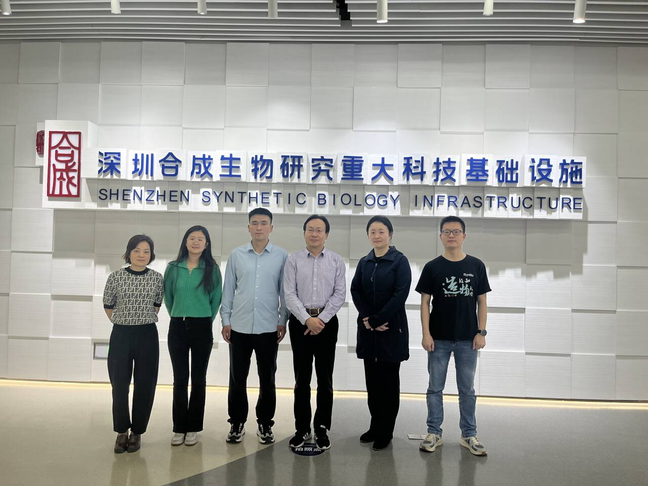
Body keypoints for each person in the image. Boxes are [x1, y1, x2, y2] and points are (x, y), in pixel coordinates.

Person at [416, 216, 491, 456]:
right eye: (447, 231)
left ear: (464, 236)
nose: (451, 235)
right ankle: (433, 433)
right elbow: (425, 303)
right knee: (434, 388)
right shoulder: (432, 267)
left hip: (468, 340)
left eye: (456, 231)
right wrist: (426, 334)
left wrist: (481, 332)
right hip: (438, 339)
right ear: (440, 236)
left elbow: (482, 301)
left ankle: (469, 434)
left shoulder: (476, 265)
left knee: (467, 389)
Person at [221, 208, 289, 445]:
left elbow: (284, 292)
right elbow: (228, 290)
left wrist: (282, 320)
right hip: (239, 327)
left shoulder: (281, 256)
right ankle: (236, 422)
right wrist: (226, 320)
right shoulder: (236, 255)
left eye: (263, 223)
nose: (259, 227)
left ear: (271, 227)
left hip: (268, 327)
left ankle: (265, 423)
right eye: (254, 223)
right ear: (248, 227)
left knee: (267, 379)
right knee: (237, 378)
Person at [284, 215, 346, 451]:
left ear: (326, 235)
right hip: (300, 323)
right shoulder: (293, 260)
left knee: (325, 378)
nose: (314, 233)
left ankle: (321, 427)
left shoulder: (336, 261)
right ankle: (301, 428)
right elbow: (289, 294)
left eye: (319, 230)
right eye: (310, 229)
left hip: (327, 323)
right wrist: (307, 320)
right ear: (304, 233)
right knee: (301, 379)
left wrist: (320, 320)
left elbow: (339, 294)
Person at [350, 215, 411, 451]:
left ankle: (386, 431)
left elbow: (400, 295)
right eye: (373, 232)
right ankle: (375, 426)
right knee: (372, 384)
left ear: (390, 235)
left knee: (389, 384)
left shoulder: (399, 261)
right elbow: (356, 290)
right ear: (368, 235)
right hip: (369, 332)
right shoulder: (364, 262)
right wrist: (368, 319)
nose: (377, 236)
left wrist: (377, 319)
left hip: (391, 330)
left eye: (381, 231)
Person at [103, 234, 164, 454]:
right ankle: (121, 431)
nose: (141, 255)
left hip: (147, 334)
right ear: (129, 253)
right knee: (119, 384)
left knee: (145, 384)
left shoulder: (157, 278)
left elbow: (156, 305)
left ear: (151, 255)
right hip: (121, 334)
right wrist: (125, 321)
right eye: (137, 250)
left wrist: (139, 319)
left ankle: (137, 432)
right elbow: (108, 305)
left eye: (146, 251)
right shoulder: (116, 277)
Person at [164, 225, 222, 447]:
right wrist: (177, 314)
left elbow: (216, 298)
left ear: (206, 244)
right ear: (185, 242)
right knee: (180, 379)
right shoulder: (173, 267)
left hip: (202, 326)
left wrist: (204, 318)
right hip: (177, 326)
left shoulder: (212, 269)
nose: (196, 242)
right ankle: (179, 427)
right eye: (192, 238)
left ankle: (193, 427)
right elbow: (169, 296)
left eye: (200, 239)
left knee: (198, 379)